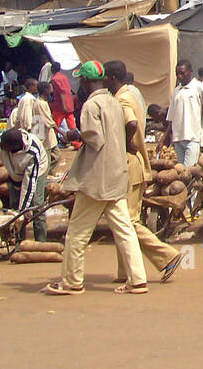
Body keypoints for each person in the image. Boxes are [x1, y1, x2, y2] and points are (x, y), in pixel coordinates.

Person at [44, 61, 148, 295]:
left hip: (96, 180)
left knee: (77, 233)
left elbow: (95, 138)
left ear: (85, 81)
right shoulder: (114, 102)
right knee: (125, 230)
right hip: (116, 175)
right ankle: (137, 279)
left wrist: (75, 135)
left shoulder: (91, 106)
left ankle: (72, 282)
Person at [106, 61, 182, 283]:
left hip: (129, 163)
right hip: (134, 163)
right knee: (122, 220)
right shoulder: (131, 94)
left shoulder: (122, 99)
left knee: (127, 222)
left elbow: (130, 123)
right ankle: (125, 271)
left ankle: (167, 256)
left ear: (112, 78)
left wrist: (127, 142)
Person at [164, 59, 203, 213]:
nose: (179, 76)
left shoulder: (199, 88)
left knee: (189, 175)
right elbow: (171, 118)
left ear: (190, 72)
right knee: (181, 175)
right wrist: (165, 138)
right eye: (177, 73)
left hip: (193, 137)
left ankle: (192, 208)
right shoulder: (177, 91)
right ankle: (183, 206)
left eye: (182, 73)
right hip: (178, 138)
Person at [0, 127, 48, 241]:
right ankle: (19, 240)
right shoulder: (3, 143)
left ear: (14, 147)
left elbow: (29, 184)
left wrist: (23, 210)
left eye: (4, 147)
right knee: (14, 205)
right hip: (15, 173)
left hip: (36, 172)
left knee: (37, 205)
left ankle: (41, 242)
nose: (1, 149)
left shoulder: (32, 151)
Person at [49, 61, 77, 132]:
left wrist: (64, 105)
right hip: (69, 104)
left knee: (55, 126)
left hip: (60, 106)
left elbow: (62, 92)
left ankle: (53, 138)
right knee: (72, 125)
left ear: (52, 69)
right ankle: (76, 138)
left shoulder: (55, 79)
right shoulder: (64, 77)